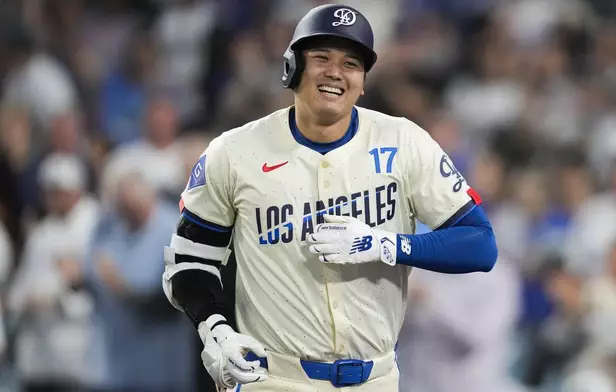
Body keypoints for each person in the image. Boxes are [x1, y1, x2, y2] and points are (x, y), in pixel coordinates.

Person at [162, 4, 498, 392]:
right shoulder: (233, 153)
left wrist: (384, 244)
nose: (335, 72)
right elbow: (189, 262)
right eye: (321, 57)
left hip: (375, 380)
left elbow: (480, 245)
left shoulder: (404, 142)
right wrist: (215, 329)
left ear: (363, 81)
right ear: (293, 67)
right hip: (273, 380)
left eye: (351, 63)